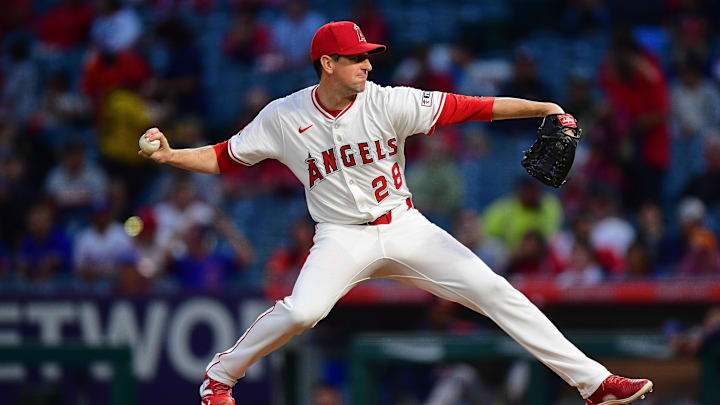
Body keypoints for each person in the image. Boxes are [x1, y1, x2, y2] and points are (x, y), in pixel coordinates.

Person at [139, 21, 653, 405]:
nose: (367, 64)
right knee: (302, 311)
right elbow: (225, 156)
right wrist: (169, 155)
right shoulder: (284, 115)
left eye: (368, 56)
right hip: (341, 235)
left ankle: (594, 384)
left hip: (405, 226)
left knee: (497, 291)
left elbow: (472, 106)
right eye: (356, 58)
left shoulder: (389, 101)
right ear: (327, 64)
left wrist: (541, 108)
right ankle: (220, 377)